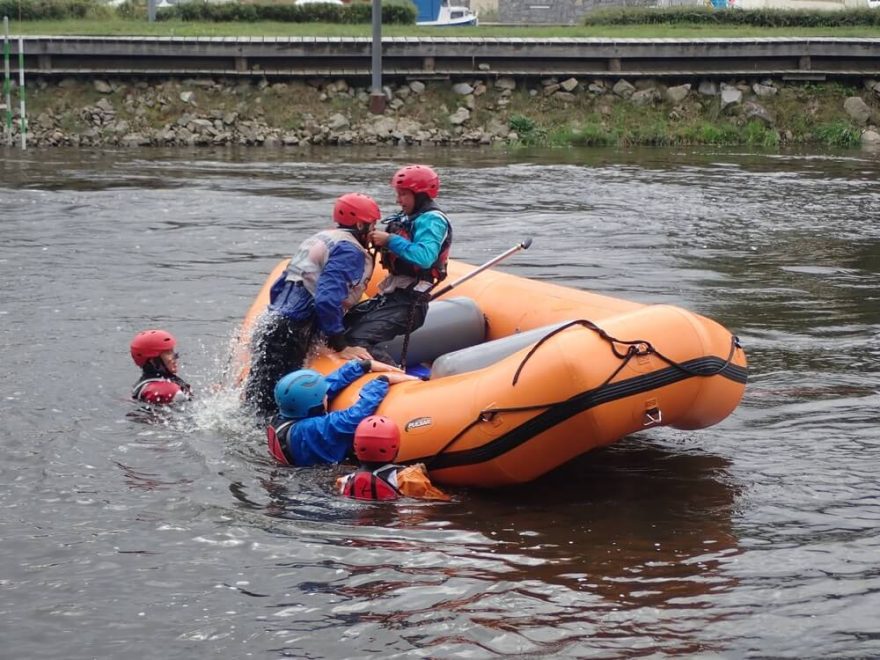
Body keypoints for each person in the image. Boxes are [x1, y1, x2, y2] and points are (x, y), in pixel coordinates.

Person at [244, 193, 381, 417]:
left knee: (258, 400)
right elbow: (327, 300)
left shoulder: (320, 238)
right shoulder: (350, 250)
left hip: (276, 321)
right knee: (282, 405)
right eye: (373, 224)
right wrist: (341, 345)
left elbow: (278, 285)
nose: (374, 230)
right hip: (293, 330)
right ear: (360, 223)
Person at [343, 164, 452, 366]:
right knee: (344, 326)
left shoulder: (432, 221)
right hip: (392, 295)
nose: (398, 200)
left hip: (410, 302)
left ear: (419, 194)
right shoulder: (409, 217)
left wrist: (390, 240)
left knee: (356, 340)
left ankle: (393, 379)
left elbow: (425, 257)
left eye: (403, 194)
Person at [267, 359, 417, 467]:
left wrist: (362, 366)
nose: (328, 395)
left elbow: (324, 387)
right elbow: (355, 416)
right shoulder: (311, 429)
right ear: (315, 405)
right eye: (325, 396)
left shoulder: (286, 414)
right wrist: (381, 382)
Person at [337, 415, 449, 501]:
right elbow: (440, 500)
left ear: (356, 447)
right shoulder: (408, 479)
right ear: (395, 447)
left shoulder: (343, 482)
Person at [130, 329, 192, 405]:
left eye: (172, 351)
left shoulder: (149, 383)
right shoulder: (163, 390)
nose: (175, 357)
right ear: (152, 361)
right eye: (168, 353)